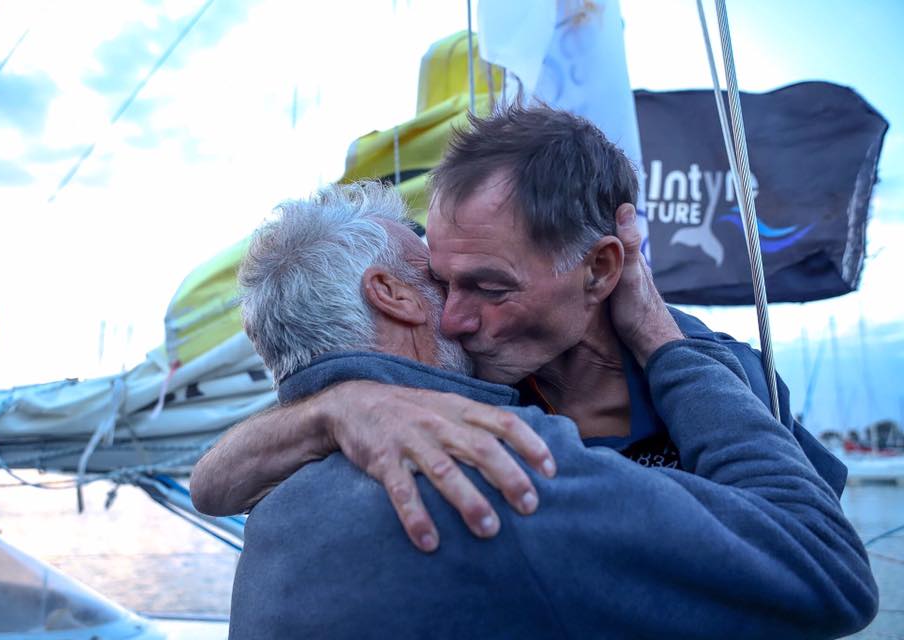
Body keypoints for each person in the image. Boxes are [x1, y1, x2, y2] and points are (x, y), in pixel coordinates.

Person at [226, 181, 876, 639]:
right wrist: (659, 339)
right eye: (443, 281)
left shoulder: (271, 500)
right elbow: (826, 569)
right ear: (392, 294)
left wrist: (332, 404)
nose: (462, 311)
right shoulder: (497, 467)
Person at [191, 105, 843, 554]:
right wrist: (336, 409)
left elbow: (814, 540)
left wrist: (663, 344)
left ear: (599, 270)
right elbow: (213, 485)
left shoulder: (718, 370)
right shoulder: (462, 378)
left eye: (489, 286)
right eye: (444, 280)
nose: (451, 316)